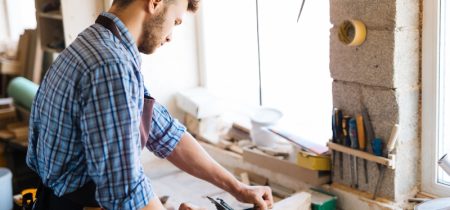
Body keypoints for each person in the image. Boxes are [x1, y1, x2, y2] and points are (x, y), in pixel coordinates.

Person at [26, 0, 274, 209]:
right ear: (155, 2)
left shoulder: (99, 43)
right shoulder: (110, 66)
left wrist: (238, 188)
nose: (169, 37)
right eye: (175, 22)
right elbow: (124, 191)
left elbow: (165, 132)